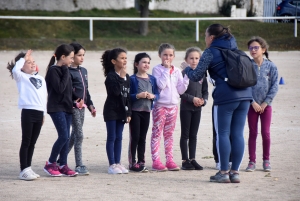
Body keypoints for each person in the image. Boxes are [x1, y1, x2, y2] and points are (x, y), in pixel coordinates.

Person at [184, 24, 252, 183]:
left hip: (226, 97)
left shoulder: (210, 52)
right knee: (237, 134)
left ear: (212, 38)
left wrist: (186, 68)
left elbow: (196, 76)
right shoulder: (238, 51)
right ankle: (235, 173)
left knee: (222, 133)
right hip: (246, 96)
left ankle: (223, 172)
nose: (205, 39)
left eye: (205, 36)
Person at [7, 50, 47, 180]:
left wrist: (43, 114)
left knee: (33, 142)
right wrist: (23, 58)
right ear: (21, 65)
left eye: (33, 62)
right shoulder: (21, 77)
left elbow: (44, 97)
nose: (32, 64)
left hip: (39, 112)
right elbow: (15, 70)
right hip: (28, 112)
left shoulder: (40, 78)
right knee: (26, 141)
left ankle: (28, 167)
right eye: (28, 62)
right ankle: (23, 169)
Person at [151, 43, 189, 171]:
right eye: (165, 55)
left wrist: (187, 76)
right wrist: (166, 70)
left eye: (170, 55)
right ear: (159, 55)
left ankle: (170, 160)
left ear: (174, 56)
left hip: (173, 106)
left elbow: (181, 90)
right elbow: (160, 86)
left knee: (169, 134)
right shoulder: (157, 70)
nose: (168, 57)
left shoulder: (177, 70)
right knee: (157, 133)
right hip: (160, 106)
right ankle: (156, 160)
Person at [43, 44, 78, 177]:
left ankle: (63, 164)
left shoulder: (64, 70)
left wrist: (77, 98)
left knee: (67, 137)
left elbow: (68, 89)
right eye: (71, 58)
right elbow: (60, 88)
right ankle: (51, 163)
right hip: (56, 108)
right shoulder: (54, 70)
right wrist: (65, 71)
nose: (72, 61)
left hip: (67, 107)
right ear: (63, 57)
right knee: (63, 136)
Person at [245, 36, 278, 172]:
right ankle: (252, 161)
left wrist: (265, 103)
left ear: (263, 49)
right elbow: (245, 86)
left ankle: (266, 160)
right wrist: (252, 102)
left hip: (266, 106)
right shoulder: (247, 66)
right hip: (252, 106)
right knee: (253, 133)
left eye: (256, 47)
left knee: (266, 133)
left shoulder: (271, 66)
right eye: (251, 48)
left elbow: (275, 86)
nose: (253, 50)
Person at [101, 48, 131, 174]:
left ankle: (118, 162)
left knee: (119, 137)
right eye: (122, 58)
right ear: (114, 61)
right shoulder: (111, 76)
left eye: (126, 58)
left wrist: (129, 113)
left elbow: (127, 95)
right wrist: (121, 77)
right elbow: (115, 93)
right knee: (112, 137)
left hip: (122, 111)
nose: (124, 61)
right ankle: (112, 164)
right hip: (111, 111)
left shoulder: (127, 77)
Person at [68, 42, 96, 175]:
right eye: (79, 55)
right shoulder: (67, 72)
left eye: (83, 55)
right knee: (79, 135)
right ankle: (79, 165)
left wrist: (91, 106)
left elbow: (86, 90)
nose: (82, 58)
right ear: (72, 56)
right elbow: (67, 91)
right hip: (73, 107)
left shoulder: (84, 71)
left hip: (83, 107)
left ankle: (58, 160)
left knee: (74, 136)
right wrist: (75, 101)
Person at [128, 52, 159, 172]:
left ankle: (141, 161)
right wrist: (138, 96)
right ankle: (132, 162)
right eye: (144, 62)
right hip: (135, 112)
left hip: (146, 111)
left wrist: (153, 96)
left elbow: (157, 94)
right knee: (134, 137)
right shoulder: (132, 79)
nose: (146, 65)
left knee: (143, 137)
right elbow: (128, 96)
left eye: (148, 62)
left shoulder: (152, 79)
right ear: (136, 64)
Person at [179, 47, 208, 170]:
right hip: (186, 108)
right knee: (185, 134)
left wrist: (203, 101)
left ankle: (192, 159)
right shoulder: (183, 74)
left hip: (197, 109)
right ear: (186, 60)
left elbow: (205, 91)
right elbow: (180, 92)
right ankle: (185, 160)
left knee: (194, 135)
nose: (194, 60)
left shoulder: (202, 74)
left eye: (197, 58)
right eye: (191, 58)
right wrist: (192, 99)